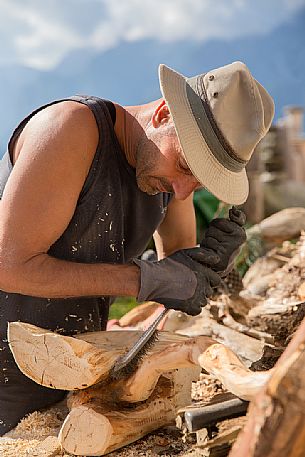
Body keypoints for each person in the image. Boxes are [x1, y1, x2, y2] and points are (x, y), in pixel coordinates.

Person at [0, 61, 274, 434]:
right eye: (184, 166)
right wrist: (145, 279)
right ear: (164, 114)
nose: (182, 191)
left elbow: (174, 273)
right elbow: (10, 265)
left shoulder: (165, 176)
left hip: (70, 376)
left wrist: (203, 269)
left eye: (199, 182)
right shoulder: (71, 129)